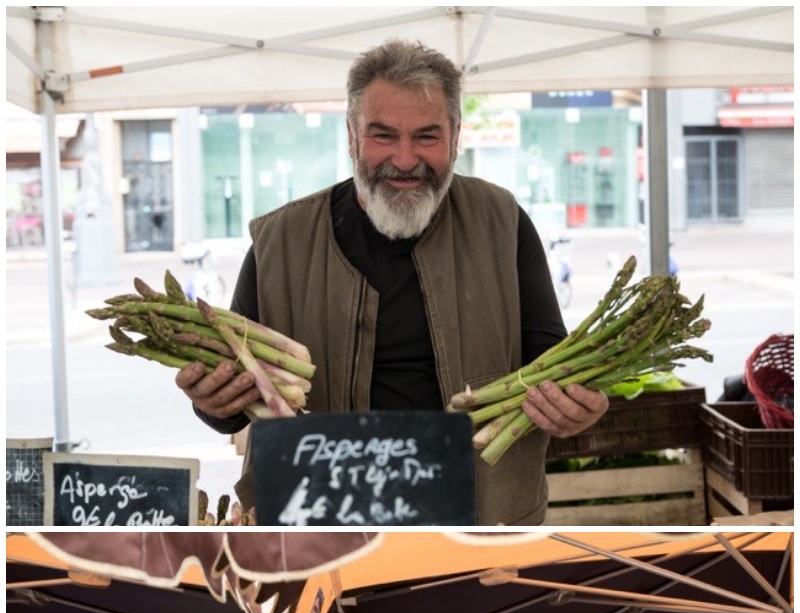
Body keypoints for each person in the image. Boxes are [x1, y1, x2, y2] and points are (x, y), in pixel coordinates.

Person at [175, 38, 608, 527]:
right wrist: (211, 402)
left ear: (457, 135)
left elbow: (550, 361)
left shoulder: (501, 222)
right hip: (318, 525)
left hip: (479, 524)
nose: (405, 160)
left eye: (427, 137)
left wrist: (577, 407)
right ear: (352, 136)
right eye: (383, 136)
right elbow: (234, 402)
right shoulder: (281, 242)